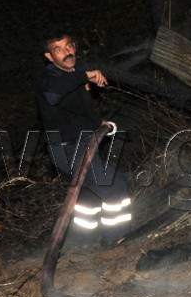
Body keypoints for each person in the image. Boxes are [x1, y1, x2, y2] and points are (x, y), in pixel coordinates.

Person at [36, 31, 131, 247]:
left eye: (69, 46)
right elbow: (53, 95)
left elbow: (80, 109)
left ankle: (82, 242)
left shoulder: (76, 71)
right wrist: (85, 76)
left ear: (75, 46)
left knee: (89, 195)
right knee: (114, 186)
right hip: (67, 149)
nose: (66, 52)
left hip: (84, 143)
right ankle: (115, 239)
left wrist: (99, 122)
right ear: (49, 57)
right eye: (58, 50)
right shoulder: (49, 79)